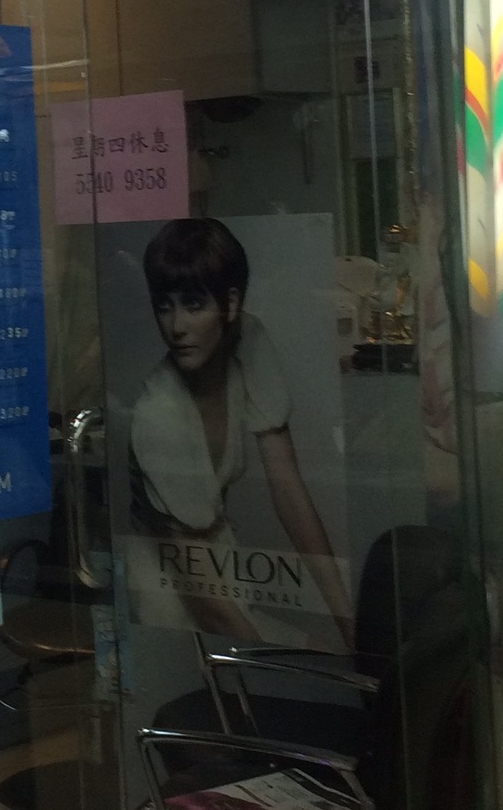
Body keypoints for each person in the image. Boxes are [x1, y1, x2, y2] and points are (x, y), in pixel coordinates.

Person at [128, 218, 353, 648]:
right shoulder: (158, 416)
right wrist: (265, 664)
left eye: (194, 304)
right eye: (164, 306)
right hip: (168, 601)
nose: (176, 326)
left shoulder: (249, 342)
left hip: (227, 580)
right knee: (287, 673)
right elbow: (206, 602)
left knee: (322, 654)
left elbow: (289, 492)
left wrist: (348, 625)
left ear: (230, 304)